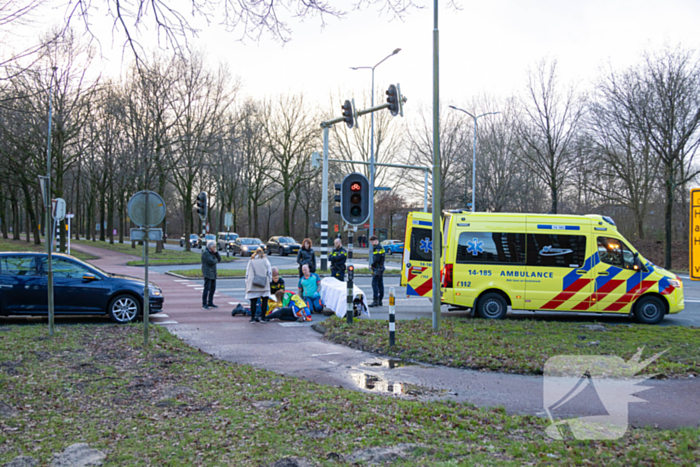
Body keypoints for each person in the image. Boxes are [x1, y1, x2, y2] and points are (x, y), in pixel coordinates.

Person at [245, 247, 272, 323]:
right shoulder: (266, 260)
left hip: (253, 283)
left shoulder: (251, 261)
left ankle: (253, 318)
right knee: (265, 300)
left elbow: (247, 273)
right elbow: (269, 271)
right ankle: (263, 317)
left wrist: (247, 282)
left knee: (253, 301)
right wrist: (269, 280)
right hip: (264, 283)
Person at [201, 240, 222, 309]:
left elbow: (219, 259)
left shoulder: (213, 253)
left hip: (213, 273)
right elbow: (211, 262)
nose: (215, 247)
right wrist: (215, 260)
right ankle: (204, 303)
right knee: (206, 289)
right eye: (214, 246)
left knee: (213, 289)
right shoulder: (206, 253)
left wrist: (216, 253)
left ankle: (210, 302)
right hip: (208, 273)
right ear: (210, 247)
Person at [368, 235, 386, 307]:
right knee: (380, 284)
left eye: (372, 242)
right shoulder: (381, 247)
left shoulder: (377, 248)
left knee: (374, 284)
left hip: (378, 268)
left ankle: (375, 300)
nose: (372, 244)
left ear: (376, 241)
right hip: (381, 268)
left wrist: (372, 265)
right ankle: (380, 300)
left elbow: (377, 259)